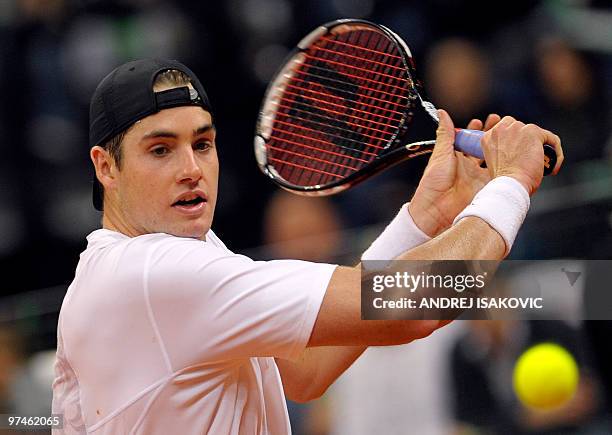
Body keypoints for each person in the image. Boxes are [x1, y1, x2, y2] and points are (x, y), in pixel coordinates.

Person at [51, 58, 563, 434]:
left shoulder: (184, 258)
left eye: (202, 144)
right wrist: (512, 184)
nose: (191, 169)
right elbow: (411, 306)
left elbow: (305, 371)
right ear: (105, 167)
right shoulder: (149, 275)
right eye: (160, 149)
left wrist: (424, 220)